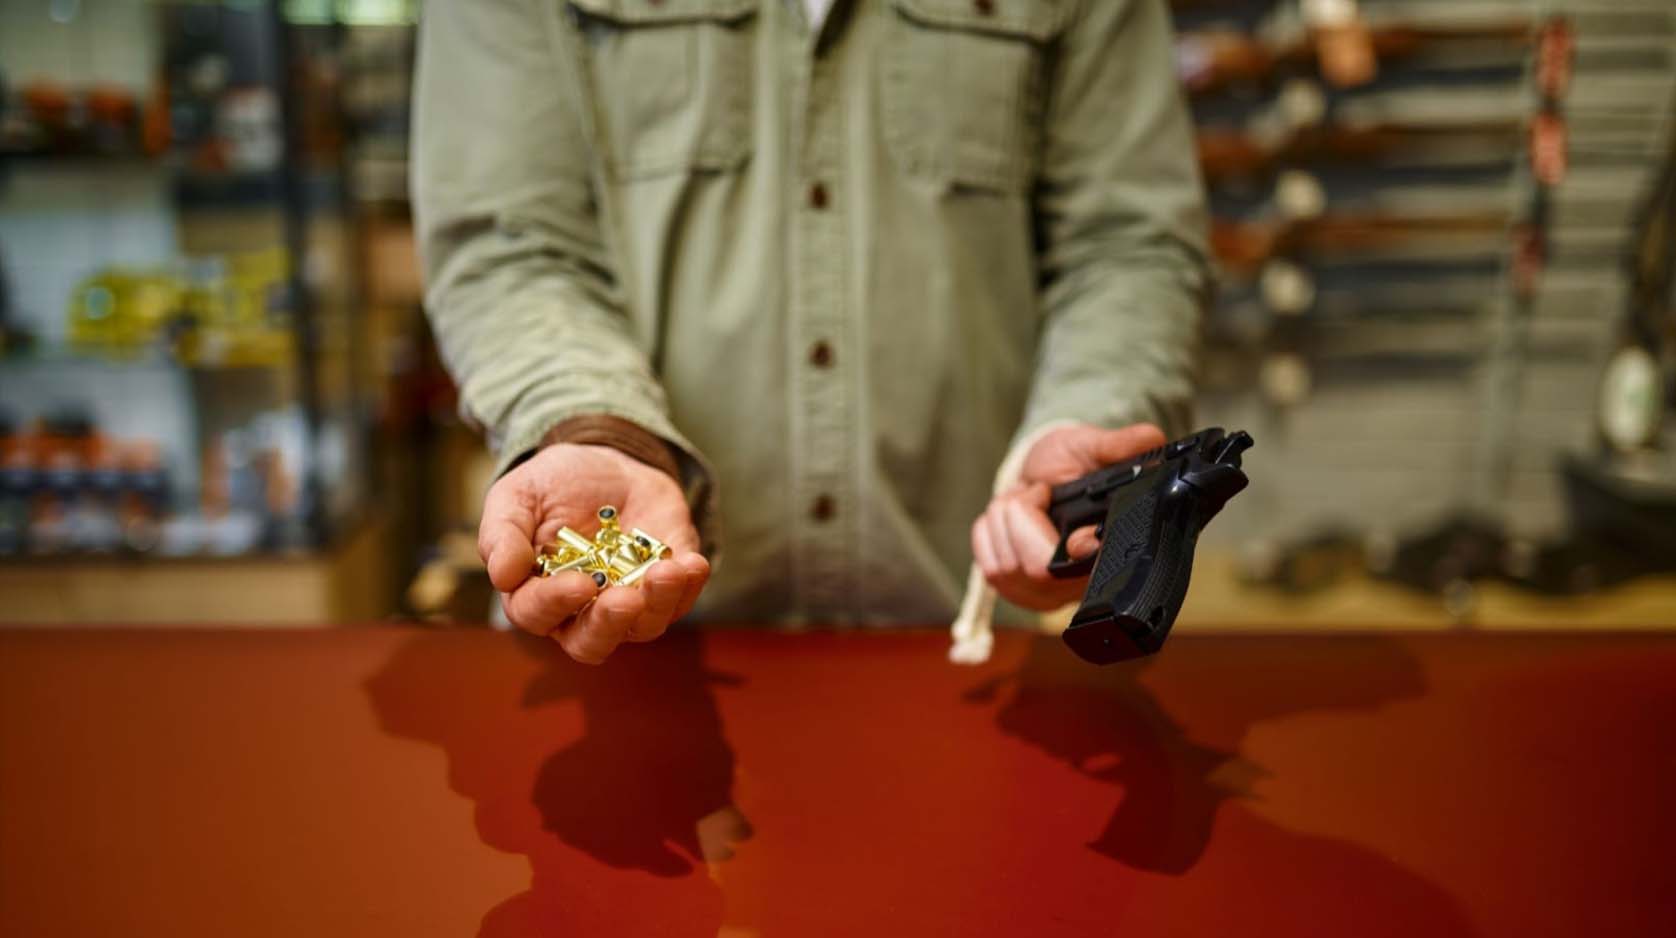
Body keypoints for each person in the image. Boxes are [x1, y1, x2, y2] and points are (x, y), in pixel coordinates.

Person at [413, 0, 1208, 664]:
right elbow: (508, 244)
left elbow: (1127, 244)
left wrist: (1076, 453)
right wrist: (594, 427)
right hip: (616, 673)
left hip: (958, 666)